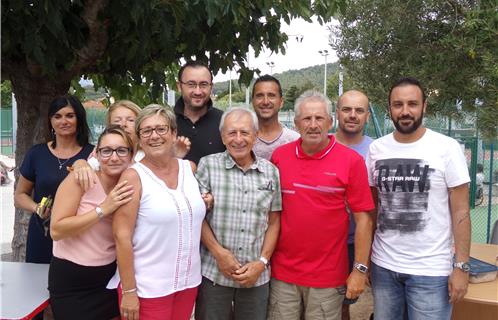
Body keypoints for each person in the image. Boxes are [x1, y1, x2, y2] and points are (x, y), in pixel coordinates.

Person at [366, 77, 471, 319]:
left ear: (424, 106)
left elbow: (461, 211)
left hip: (431, 272)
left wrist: (461, 267)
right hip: (384, 267)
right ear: (389, 108)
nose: (405, 111)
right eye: (398, 104)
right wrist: (368, 261)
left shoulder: (447, 147)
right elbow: (372, 209)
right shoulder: (376, 149)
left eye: (412, 104)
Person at [268, 90, 375, 320]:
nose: (313, 125)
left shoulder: (351, 161)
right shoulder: (279, 157)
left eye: (319, 118)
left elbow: (364, 220)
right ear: (296, 123)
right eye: (307, 119)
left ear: (330, 121)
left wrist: (359, 269)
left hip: (328, 279)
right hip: (282, 276)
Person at [108, 104, 206, 320]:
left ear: (173, 134)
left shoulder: (189, 169)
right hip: (147, 288)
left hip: (187, 282)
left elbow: (192, 214)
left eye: (161, 129)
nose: (154, 136)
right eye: (147, 131)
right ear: (139, 138)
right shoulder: (133, 177)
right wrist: (130, 290)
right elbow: (121, 236)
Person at [194, 107, 282, 320]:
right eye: (232, 133)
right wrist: (219, 253)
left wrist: (262, 262)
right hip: (214, 272)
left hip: (256, 275)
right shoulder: (208, 165)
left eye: (245, 132)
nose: (238, 139)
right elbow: (197, 216)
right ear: (222, 136)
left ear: (256, 135)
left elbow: (274, 221)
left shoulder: (270, 172)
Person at [48, 126, 134, 320]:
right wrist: (103, 209)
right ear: (96, 153)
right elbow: (56, 230)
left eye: (121, 150)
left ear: (131, 155)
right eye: (106, 151)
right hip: (72, 282)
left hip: (108, 279)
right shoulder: (80, 179)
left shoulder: (130, 183)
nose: (114, 157)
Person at [14, 94, 94, 264]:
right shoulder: (36, 154)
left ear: (79, 119)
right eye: (57, 116)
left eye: (69, 116)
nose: (63, 121)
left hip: (78, 237)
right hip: (42, 235)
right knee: (36, 287)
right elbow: (19, 196)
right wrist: (37, 208)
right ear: (50, 121)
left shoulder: (93, 155)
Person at [334, 90, 374, 320]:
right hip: (327, 242)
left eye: (359, 110)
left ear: (367, 116)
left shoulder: (377, 151)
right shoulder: (322, 144)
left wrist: (365, 260)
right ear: (337, 113)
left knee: (346, 302)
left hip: (357, 241)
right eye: (347, 109)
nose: (352, 115)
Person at [175, 60, 225, 164]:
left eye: (203, 84)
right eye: (191, 84)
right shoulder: (166, 122)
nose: (198, 91)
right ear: (179, 86)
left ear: (211, 87)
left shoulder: (225, 122)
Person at [251, 75, 299, 160]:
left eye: (271, 95)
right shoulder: (241, 141)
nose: (265, 101)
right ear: (253, 102)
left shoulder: (295, 141)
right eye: (260, 96)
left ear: (281, 102)